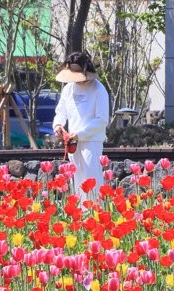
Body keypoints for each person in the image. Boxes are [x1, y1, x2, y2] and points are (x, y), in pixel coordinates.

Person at [52, 51, 110, 202]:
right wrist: (58, 125)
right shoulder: (69, 89)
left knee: (92, 180)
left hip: (91, 142)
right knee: (77, 182)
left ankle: (96, 215)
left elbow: (102, 120)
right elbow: (61, 111)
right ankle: (80, 218)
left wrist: (81, 133)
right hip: (73, 143)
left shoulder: (98, 89)